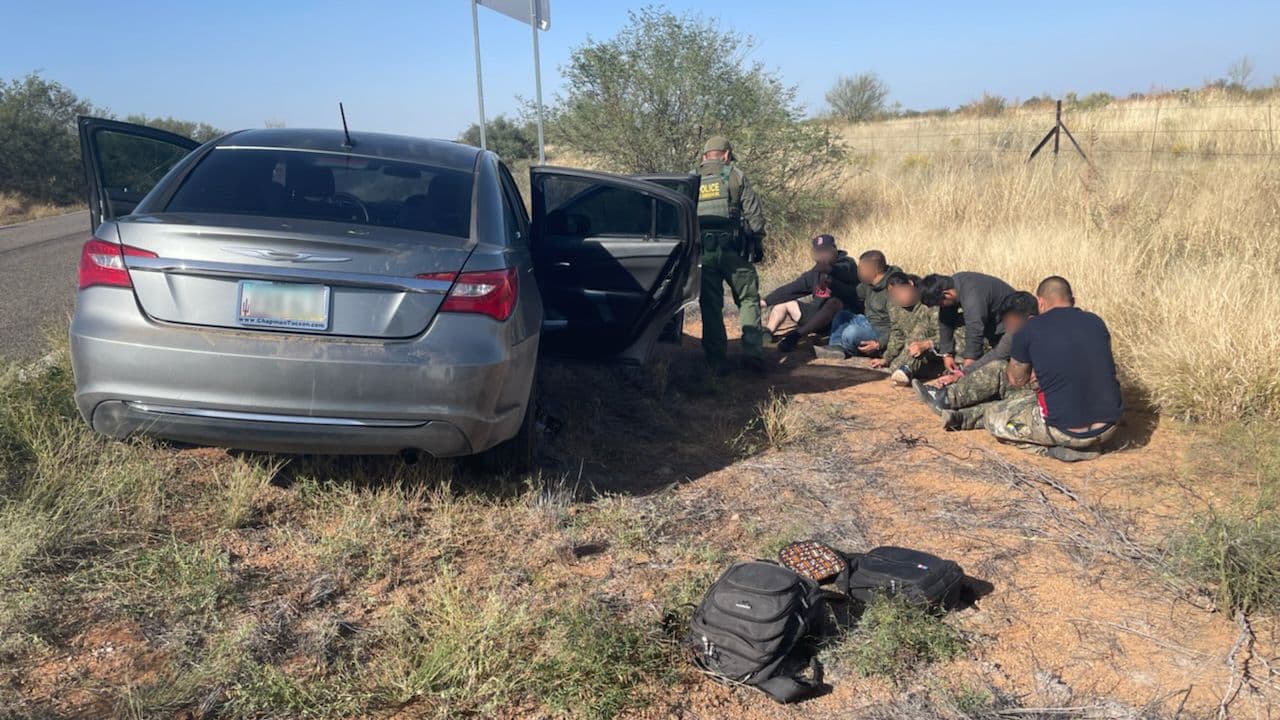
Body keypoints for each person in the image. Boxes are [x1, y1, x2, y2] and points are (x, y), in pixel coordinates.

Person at [957, 277, 1123, 462]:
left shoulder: (1029, 329)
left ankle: (1052, 451)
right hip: (1110, 427)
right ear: (1072, 300)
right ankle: (1088, 444)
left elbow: (1016, 380)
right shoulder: (1096, 322)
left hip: (1064, 430)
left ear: (1041, 303)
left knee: (993, 418)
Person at [911, 291, 1039, 427]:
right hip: (1022, 386)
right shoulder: (1015, 333)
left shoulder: (1047, 335)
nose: (1009, 329)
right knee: (998, 367)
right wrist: (962, 374)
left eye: (1012, 324)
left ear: (1030, 320)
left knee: (1006, 404)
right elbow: (996, 355)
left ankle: (961, 416)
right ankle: (948, 401)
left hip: (1038, 396)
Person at [695, 136, 768, 375]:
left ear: (705, 156)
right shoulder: (735, 175)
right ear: (726, 155)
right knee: (748, 299)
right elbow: (755, 218)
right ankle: (753, 354)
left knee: (711, 305)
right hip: (734, 251)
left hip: (703, 254)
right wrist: (757, 242)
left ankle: (716, 361)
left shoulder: (692, 179)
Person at [764, 234, 860, 345]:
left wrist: (830, 270)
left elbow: (844, 270)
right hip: (815, 316)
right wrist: (765, 301)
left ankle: (796, 336)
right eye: (819, 252)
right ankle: (767, 332)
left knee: (833, 302)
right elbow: (792, 288)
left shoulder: (848, 264)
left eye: (825, 251)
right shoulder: (816, 271)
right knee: (785, 301)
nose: (822, 255)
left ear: (834, 250)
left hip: (840, 320)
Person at [918, 272, 1018, 374]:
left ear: (947, 294)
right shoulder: (952, 286)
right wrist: (947, 354)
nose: (941, 306)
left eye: (940, 303)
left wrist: (970, 360)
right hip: (990, 324)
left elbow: (975, 327)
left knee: (993, 363)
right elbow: (945, 320)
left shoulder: (972, 294)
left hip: (1011, 329)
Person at [868, 272, 950, 385]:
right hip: (912, 351)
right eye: (894, 295)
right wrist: (887, 357)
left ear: (910, 284)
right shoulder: (894, 306)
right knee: (894, 367)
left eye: (901, 292)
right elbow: (897, 334)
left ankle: (910, 368)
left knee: (921, 330)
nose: (899, 298)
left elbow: (947, 335)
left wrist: (926, 344)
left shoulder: (930, 301)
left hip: (938, 350)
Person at [818, 250, 902, 359]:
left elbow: (899, 326)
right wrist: (832, 283)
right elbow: (853, 293)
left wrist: (880, 343)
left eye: (860, 268)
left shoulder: (894, 289)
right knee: (842, 316)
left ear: (873, 270)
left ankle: (850, 350)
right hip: (868, 323)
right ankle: (836, 347)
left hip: (882, 332)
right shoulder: (869, 283)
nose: (858, 271)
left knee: (851, 332)